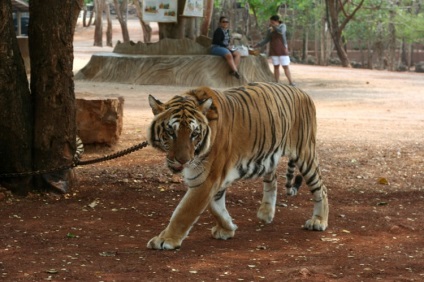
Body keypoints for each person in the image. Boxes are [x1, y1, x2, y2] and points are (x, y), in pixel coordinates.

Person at [253, 15, 295, 86]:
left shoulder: (282, 26)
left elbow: (281, 32)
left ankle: (291, 82)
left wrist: (274, 27)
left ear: (277, 21)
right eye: (270, 22)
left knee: (285, 66)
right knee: (276, 67)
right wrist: (258, 45)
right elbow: (266, 39)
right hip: (274, 50)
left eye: (272, 22)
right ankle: (276, 82)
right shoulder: (270, 29)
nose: (271, 23)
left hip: (282, 50)